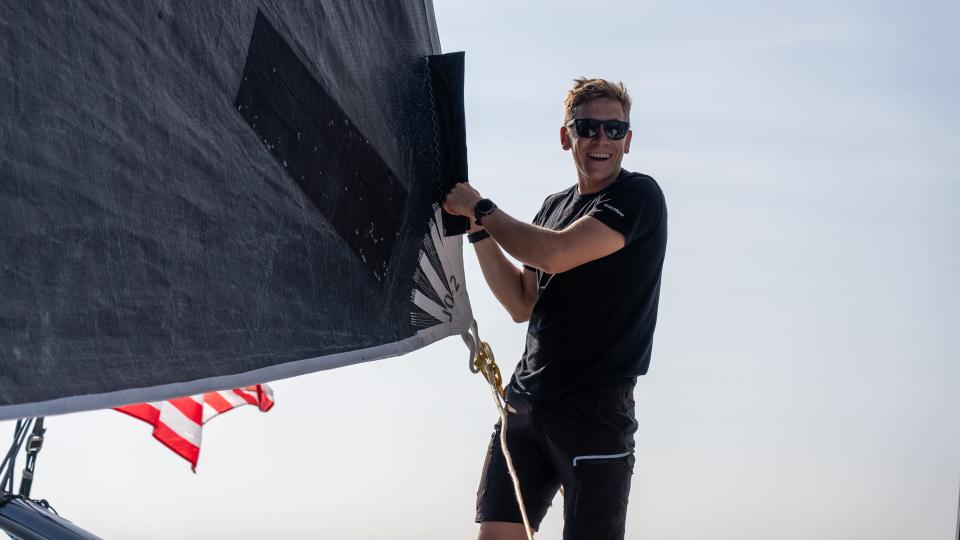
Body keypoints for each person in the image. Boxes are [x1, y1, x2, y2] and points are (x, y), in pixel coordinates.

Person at [442, 77, 667, 540]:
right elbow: (521, 302)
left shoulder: (638, 197)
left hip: (594, 414)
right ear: (567, 137)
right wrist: (477, 230)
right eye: (588, 127)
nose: (601, 139)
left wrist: (482, 208)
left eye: (613, 129)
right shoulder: (553, 207)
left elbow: (556, 254)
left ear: (628, 139)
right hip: (527, 406)